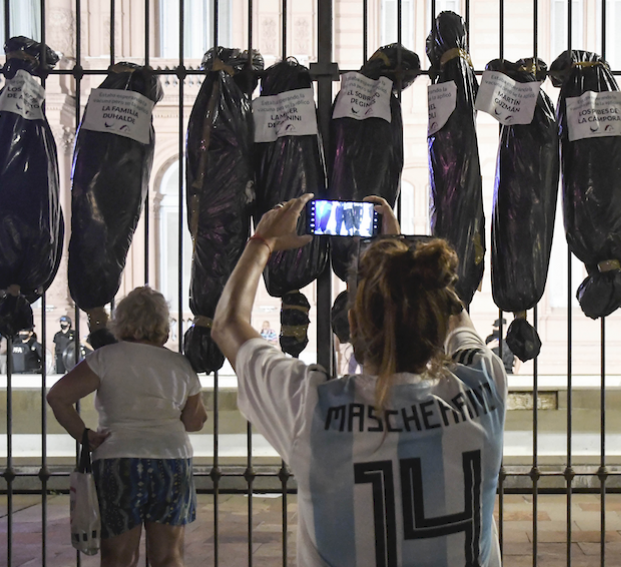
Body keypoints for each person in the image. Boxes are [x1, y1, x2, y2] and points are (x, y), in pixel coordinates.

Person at [211, 193, 508, 567]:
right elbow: (453, 314)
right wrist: (399, 258)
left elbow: (226, 325)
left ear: (351, 327)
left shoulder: (312, 409)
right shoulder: (484, 386)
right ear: (433, 327)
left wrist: (263, 242)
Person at [46, 287, 207, 567]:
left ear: (120, 321)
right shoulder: (180, 364)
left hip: (118, 459)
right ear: (163, 325)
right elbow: (194, 421)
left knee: (118, 556)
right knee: (169, 556)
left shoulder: (104, 358)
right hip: (171, 459)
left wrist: (84, 434)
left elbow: (58, 396)